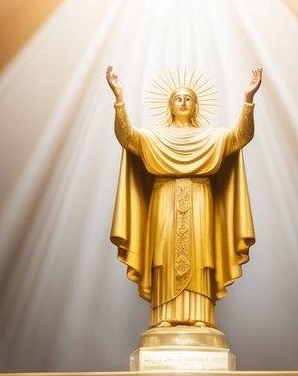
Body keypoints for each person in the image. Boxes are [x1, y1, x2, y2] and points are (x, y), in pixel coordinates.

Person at [108, 65, 262, 328]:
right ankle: (163, 316)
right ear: (170, 105)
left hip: (200, 197)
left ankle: (201, 315)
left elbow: (240, 137)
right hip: (164, 198)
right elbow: (128, 138)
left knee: (201, 255)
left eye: (188, 98)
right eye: (178, 98)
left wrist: (248, 100)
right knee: (164, 255)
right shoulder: (154, 137)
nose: (183, 102)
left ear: (195, 105)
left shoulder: (211, 137)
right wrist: (119, 99)